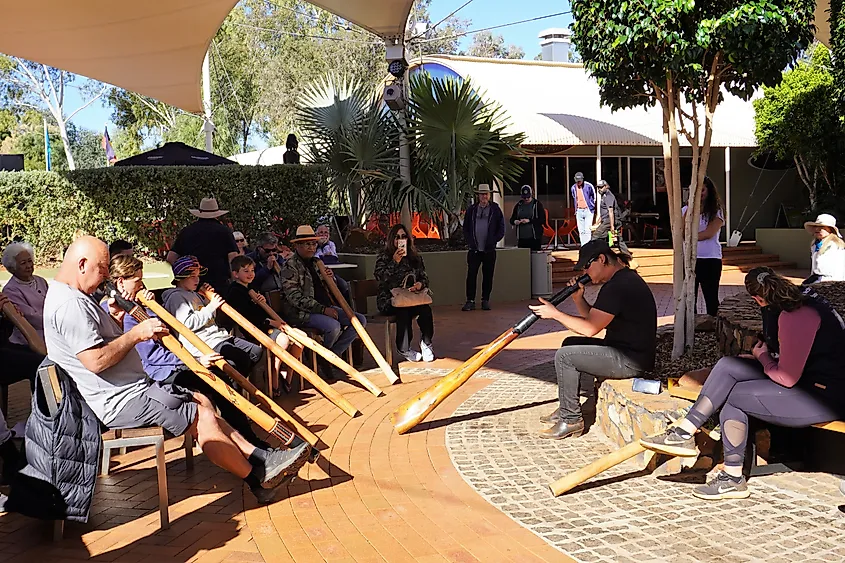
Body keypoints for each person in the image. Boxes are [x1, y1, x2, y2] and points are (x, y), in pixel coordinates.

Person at [43, 236, 310, 504]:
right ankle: (258, 476)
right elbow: (95, 361)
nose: (104, 279)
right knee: (200, 415)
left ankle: (260, 457)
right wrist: (136, 334)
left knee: (202, 400)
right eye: (102, 271)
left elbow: (97, 343)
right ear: (81, 265)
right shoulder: (70, 304)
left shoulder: (75, 296)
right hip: (121, 398)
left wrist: (115, 318)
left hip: (132, 388)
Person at [641, 268, 845, 500]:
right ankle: (684, 431)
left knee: (736, 396)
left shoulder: (794, 315)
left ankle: (733, 478)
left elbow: (787, 378)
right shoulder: (799, 299)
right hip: (811, 383)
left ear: (758, 298)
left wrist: (763, 358)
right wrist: (762, 359)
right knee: (729, 366)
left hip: (825, 398)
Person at [107, 254, 285, 451]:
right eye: (138, 281)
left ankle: (245, 440)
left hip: (176, 361)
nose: (142, 285)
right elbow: (153, 357)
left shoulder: (140, 304)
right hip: (161, 372)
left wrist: (151, 306)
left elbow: (167, 330)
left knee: (225, 376)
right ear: (121, 282)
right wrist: (195, 360)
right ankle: (246, 445)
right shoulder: (119, 312)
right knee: (220, 381)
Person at [529, 239, 657, 440]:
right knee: (570, 344)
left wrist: (555, 313)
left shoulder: (618, 287)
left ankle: (571, 420)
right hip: (623, 350)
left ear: (602, 259)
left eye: (587, 267)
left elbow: (590, 329)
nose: (585, 273)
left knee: (566, 356)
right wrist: (579, 299)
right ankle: (568, 406)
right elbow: (594, 321)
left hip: (631, 360)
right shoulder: (621, 280)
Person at [162, 256, 268, 391]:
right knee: (239, 359)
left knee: (255, 351)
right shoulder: (176, 297)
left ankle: (233, 383)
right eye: (192, 276)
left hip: (219, 337)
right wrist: (211, 306)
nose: (197, 279)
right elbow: (188, 324)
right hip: (206, 342)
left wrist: (207, 299)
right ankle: (233, 388)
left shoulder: (194, 294)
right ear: (181, 278)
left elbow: (210, 318)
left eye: (198, 275)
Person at [280, 226, 366, 381]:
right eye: (307, 244)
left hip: (326, 307)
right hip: (302, 312)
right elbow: (294, 297)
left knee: (359, 320)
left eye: (313, 244)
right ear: (297, 246)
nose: (311, 247)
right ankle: (326, 359)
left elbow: (325, 288)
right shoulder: (290, 266)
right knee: (333, 326)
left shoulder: (316, 262)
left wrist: (330, 278)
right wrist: (322, 309)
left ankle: (330, 355)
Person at [225, 255, 303, 394]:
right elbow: (247, 317)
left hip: (270, 324)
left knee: (300, 338)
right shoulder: (235, 292)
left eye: (252, 270)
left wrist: (263, 303)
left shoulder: (252, 287)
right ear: (235, 274)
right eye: (246, 271)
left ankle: (287, 374)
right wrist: (272, 322)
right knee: (283, 340)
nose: (250, 274)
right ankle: (273, 373)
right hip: (255, 329)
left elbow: (262, 311)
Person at [374, 224, 435, 363]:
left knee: (425, 310)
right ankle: (404, 348)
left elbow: (424, 277)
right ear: (391, 240)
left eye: (403, 237)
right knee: (403, 310)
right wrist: (395, 262)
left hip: (412, 297)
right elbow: (381, 278)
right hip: (390, 299)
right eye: (397, 237)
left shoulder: (415, 258)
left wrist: (420, 284)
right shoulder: (384, 257)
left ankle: (426, 343)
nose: (400, 240)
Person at [167, 197, 239, 293]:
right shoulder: (224, 231)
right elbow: (233, 259)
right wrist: (234, 282)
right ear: (217, 214)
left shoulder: (187, 231)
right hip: (219, 283)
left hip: (192, 284)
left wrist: (185, 274)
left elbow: (171, 258)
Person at [682, 176, 725, 317]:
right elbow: (681, 231)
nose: (699, 193)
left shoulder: (716, 211)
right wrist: (690, 207)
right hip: (689, 259)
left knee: (711, 297)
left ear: (709, 191)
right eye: (696, 189)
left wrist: (690, 237)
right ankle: (691, 326)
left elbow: (709, 233)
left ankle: (714, 326)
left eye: (703, 189)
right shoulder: (685, 210)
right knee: (689, 298)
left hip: (710, 258)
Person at [462, 184, 505, 311]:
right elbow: (466, 228)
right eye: (482, 194)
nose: (484, 196)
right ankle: (470, 300)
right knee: (471, 275)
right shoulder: (472, 209)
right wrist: (470, 240)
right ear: (478, 195)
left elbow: (501, 228)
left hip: (489, 250)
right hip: (474, 249)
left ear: (489, 195)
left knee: (488, 275)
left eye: (486, 194)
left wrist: (494, 240)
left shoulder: (495, 209)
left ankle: (485, 300)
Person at [1, 242, 48, 348]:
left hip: (51, 332)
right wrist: (57, 321)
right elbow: (31, 317)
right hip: (29, 341)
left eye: (30, 261)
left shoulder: (40, 281)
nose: (28, 266)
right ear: (12, 267)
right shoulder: (10, 290)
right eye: (23, 263)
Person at [591, 180, 632, 258]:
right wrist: (598, 222)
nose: (599, 189)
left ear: (606, 186)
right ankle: (628, 257)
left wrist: (612, 226)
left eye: (601, 187)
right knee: (619, 240)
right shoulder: (604, 196)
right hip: (609, 220)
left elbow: (610, 212)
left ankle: (593, 255)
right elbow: (604, 212)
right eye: (598, 188)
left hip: (610, 220)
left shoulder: (609, 196)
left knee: (596, 236)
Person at [803, 214, 845, 284]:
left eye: (822, 227)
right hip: (818, 281)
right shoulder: (815, 245)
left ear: (830, 229)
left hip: (831, 283)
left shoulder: (835, 245)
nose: (817, 229)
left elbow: (836, 272)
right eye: (816, 226)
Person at [315, 224, 351, 301]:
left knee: (344, 285)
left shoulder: (331, 244)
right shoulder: (313, 245)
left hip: (331, 273)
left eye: (326, 233)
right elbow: (317, 259)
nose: (324, 235)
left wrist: (325, 245)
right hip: (317, 274)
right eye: (321, 232)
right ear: (316, 234)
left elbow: (333, 258)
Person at [509, 185, 545, 251]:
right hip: (522, 237)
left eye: (528, 197)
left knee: (534, 257)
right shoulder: (519, 205)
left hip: (534, 237)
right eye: (524, 197)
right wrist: (515, 221)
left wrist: (529, 220)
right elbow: (512, 219)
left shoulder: (537, 204)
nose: (526, 199)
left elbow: (542, 219)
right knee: (523, 258)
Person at [570, 172, 597, 246]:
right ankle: (583, 246)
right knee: (581, 230)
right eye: (577, 181)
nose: (579, 182)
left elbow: (594, 196)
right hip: (579, 210)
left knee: (587, 230)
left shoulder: (588, 186)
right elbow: (574, 197)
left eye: (580, 180)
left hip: (588, 210)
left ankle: (588, 246)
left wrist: (591, 206)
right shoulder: (573, 188)